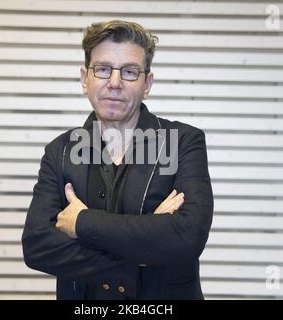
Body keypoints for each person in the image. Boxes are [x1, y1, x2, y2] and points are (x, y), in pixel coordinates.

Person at [22, 20, 213, 300]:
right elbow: (37, 246)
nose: (114, 83)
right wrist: (144, 249)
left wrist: (81, 223)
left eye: (130, 72)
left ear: (147, 83)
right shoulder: (59, 152)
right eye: (102, 69)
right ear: (84, 78)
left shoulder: (183, 141)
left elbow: (187, 237)